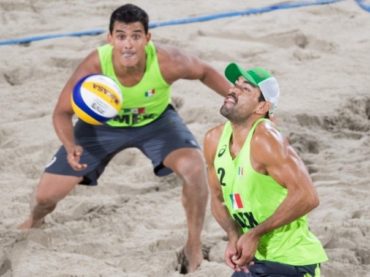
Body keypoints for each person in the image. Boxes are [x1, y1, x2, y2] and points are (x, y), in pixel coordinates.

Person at [19, 4, 230, 273]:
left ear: (147, 38)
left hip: (156, 122)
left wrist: (237, 100)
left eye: (135, 36)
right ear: (110, 38)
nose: (128, 44)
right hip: (101, 128)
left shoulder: (168, 61)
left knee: (194, 168)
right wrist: (71, 146)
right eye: (121, 36)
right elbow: (61, 113)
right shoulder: (95, 65)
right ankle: (34, 221)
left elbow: (205, 72)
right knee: (45, 198)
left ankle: (194, 245)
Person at [203, 63, 328, 276]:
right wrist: (233, 235)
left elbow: (308, 197)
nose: (233, 90)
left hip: (292, 261)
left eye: (245, 89)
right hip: (255, 260)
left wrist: (255, 234)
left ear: (261, 108)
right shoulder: (213, 139)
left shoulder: (267, 141)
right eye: (235, 85)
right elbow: (217, 197)